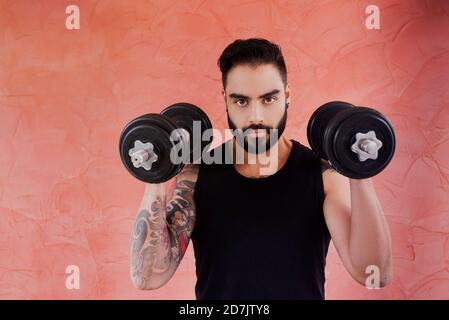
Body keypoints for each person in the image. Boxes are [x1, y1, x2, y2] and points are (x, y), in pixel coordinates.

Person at [130, 38, 392, 300]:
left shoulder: (322, 176)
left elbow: (374, 274)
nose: (256, 116)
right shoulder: (196, 176)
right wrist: (158, 172)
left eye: (268, 99)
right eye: (241, 101)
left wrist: (358, 170)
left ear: (287, 95)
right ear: (225, 100)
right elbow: (147, 277)